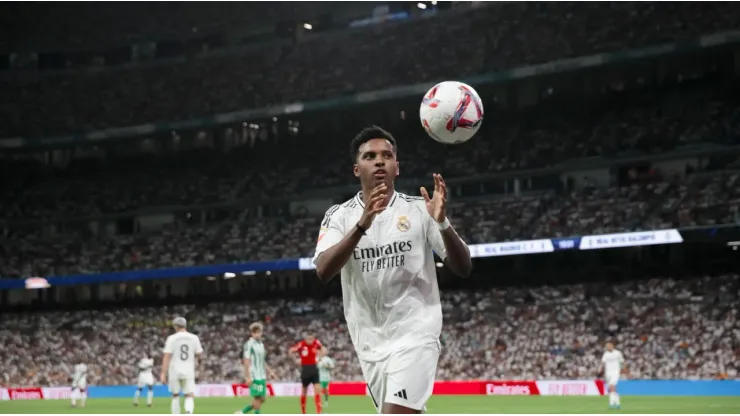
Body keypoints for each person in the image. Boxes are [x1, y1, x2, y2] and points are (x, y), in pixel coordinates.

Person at [312, 126, 472, 414]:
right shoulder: (339, 217)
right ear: (356, 168)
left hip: (416, 335)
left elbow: (463, 266)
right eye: (369, 156)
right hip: (370, 345)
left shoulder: (419, 211)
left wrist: (443, 223)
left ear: (397, 167)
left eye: (387, 155)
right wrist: (362, 224)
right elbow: (323, 270)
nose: (379, 161)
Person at [161, 317, 203, 414]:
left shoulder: (171, 338)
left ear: (176, 326)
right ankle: (188, 412)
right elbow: (199, 355)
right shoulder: (194, 338)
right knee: (189, 395)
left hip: (174, 370)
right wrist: (200, 368)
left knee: (175, 396)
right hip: (188, 370)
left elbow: (166, 356)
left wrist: (163, 373)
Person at [238, 322, 277, 414]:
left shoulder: (261, 344)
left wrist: (270, 372)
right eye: (255, 332)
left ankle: (242, 412)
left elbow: (262, 361)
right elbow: (246, 361)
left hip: (262, 375)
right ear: (252, 333)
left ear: (261, 333)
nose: (257, 334)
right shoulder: (249, 344)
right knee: (258, 399)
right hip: (254, 375)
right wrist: (247, 377)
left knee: (262, 398)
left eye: (259, 332)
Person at [289, 332, 326, 414]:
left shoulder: (316, 343)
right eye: (309, 339)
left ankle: (319, 413)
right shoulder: (301, 345)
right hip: (305, 370)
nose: (311, 341)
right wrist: (295, 360)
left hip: (314, 369)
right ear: (305, 339)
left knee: (317, 390)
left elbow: (324, 349)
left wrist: (319, 357)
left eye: (312, 338)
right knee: (304, 392)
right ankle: (303, 412)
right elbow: (291, 350)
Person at [598, 341, 626, 409]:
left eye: (608, 346)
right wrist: (600, 368)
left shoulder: (617, 353)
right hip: (608, 372)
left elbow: (622, 361)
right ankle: (617, 403)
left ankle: (611, 403)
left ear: (612, 346)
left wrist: (623, 369)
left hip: (615, 371)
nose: (607, 347)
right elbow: (603, 362)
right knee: (611, 388)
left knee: (612, 386)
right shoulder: (606, 354)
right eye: (606, 346)